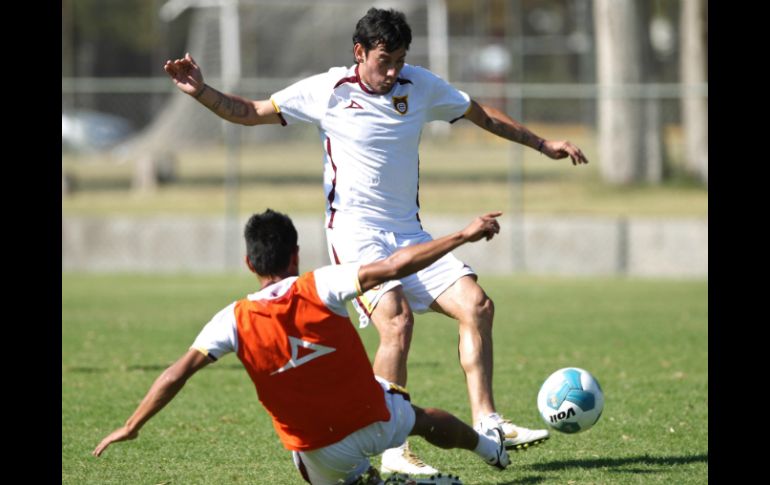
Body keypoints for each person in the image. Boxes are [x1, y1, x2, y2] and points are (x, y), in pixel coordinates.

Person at [163, 7, 589, 475]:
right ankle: (393, 449)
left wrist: (543, 143)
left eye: (400, 61)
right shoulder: (327, 90)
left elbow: (480, 113)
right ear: (359, 52)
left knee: (477, 306)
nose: (392, 72)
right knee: (397, 321)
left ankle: (488, 422)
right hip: (355, 235)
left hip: (408, 232)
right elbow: (251, 112)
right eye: (384, 60)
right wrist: (201, 91)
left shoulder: (419, 85)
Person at [93, 209, 510, 485]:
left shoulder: (231, 320)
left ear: (249, 264)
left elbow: (174, 374)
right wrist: (462, 234)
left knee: (312, 466)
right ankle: (490, 449)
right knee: (416, 416)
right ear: (295, 255)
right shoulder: (322, 283)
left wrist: (132, 426)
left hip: (319, 453)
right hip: (377, 420)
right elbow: (396, 265)